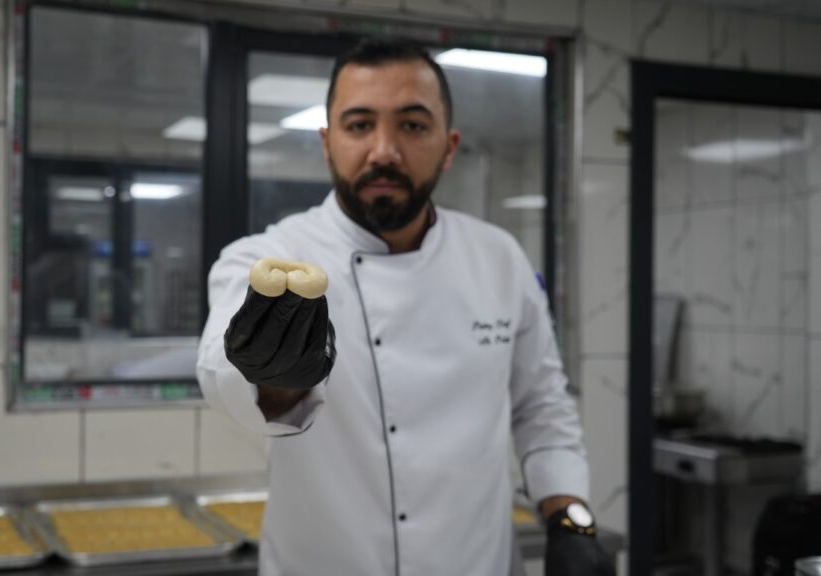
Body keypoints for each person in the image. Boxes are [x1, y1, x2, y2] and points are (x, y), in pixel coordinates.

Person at [197, 38, 615, 576]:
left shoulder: (498, 258)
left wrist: (569, 519)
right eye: (359, 125)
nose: (384, 152)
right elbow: (225, 373)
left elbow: (542, 406)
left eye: (413, 126)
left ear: (449, 146)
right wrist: (275, 380)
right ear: (327, 143)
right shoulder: (268, 257)